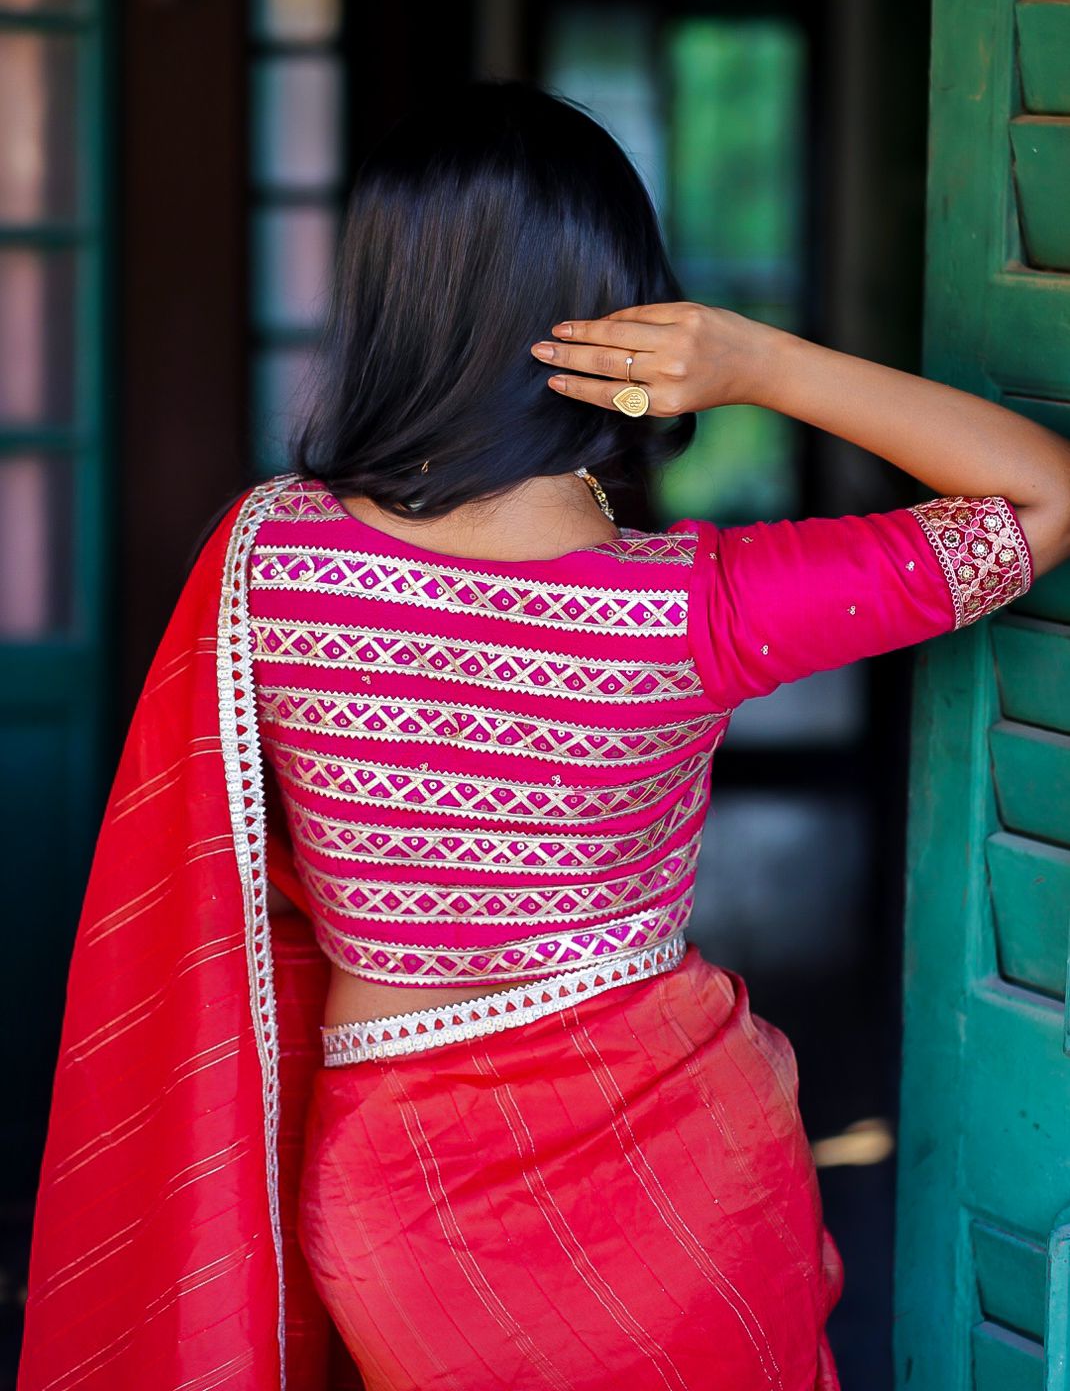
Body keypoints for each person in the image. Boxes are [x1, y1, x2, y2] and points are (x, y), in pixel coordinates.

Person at [18, 80, 1070, 1391]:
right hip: (684, 1183)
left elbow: (219, 895)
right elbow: (1042, 495)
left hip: (399, 1203)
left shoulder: (268, 557)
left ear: (385, 302)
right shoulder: (696, 607)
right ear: (636, 312)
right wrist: (762, 365)